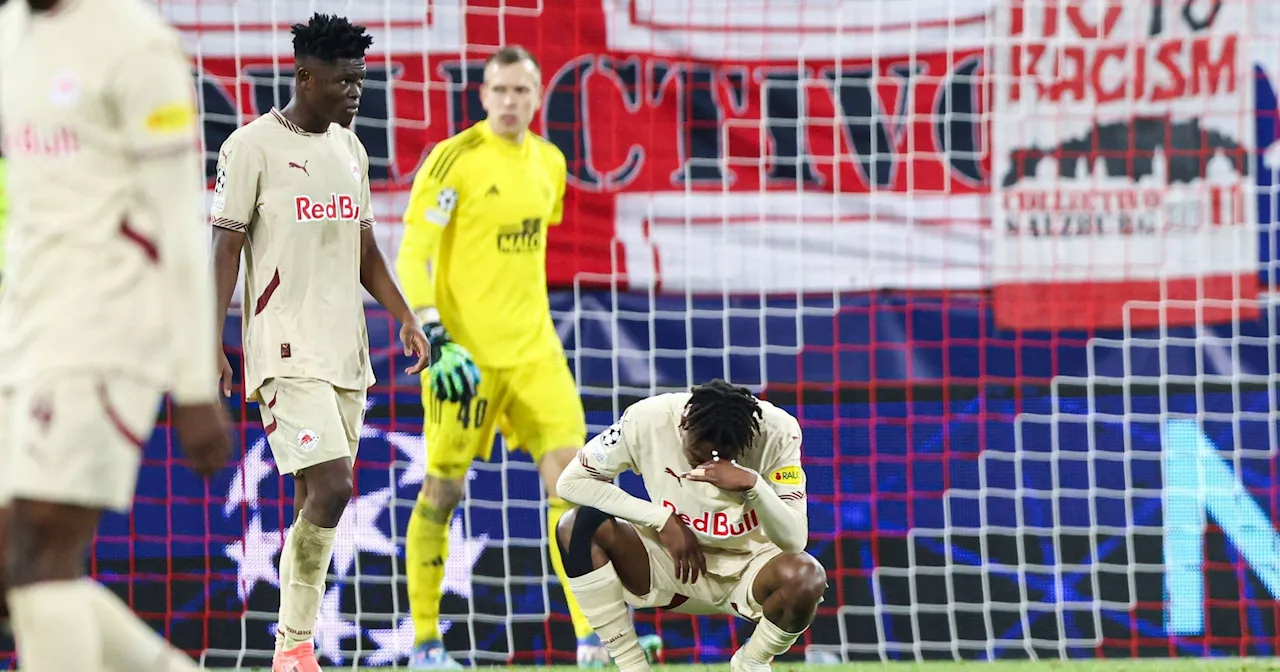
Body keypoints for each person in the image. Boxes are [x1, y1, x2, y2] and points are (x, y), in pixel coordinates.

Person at [0, 0, 234, 669]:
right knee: (12, 565)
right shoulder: (12, 29)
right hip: (24, 324)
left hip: (107, 327)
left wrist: (191, 383)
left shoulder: (138, 45)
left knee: (45, 548)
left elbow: (179, 227)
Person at [209, 12, 430, 672]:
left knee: (326, 497)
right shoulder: (252, 147)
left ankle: (294, 649)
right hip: (283, 350)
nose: (357, 92)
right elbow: (224, 247)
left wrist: (406, 315)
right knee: (332, 487)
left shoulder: (351, 150)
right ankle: (293, 644)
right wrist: (209, 340)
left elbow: (365, 250)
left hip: (347, 355)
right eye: (345, 80)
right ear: (306, 77)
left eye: (362, 80)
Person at [395, 45, 609, 668]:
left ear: (538, 96)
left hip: (537, 352)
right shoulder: (453, 160)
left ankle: (592, 639)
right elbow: (412, 253)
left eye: (522, 91)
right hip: (465, 357)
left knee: (575, 483)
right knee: (441, 491)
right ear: (483, 95)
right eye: (499, 90)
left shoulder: (550, 163)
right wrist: (433, 332)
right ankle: (427, 643)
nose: (510, 102)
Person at [554, 380, 829, 672]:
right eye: (698, 453)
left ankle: (751, 663)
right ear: (683, 423)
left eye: (725, 455)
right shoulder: (647, 419)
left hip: (749, 573)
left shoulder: (778, 432)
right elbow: (570, 482)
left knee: (806, 577)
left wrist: (754, 485)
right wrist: (661, 519)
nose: (708, 463)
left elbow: (795, 540)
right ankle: (632, 665)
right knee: (575, 526)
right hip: (669, 564)